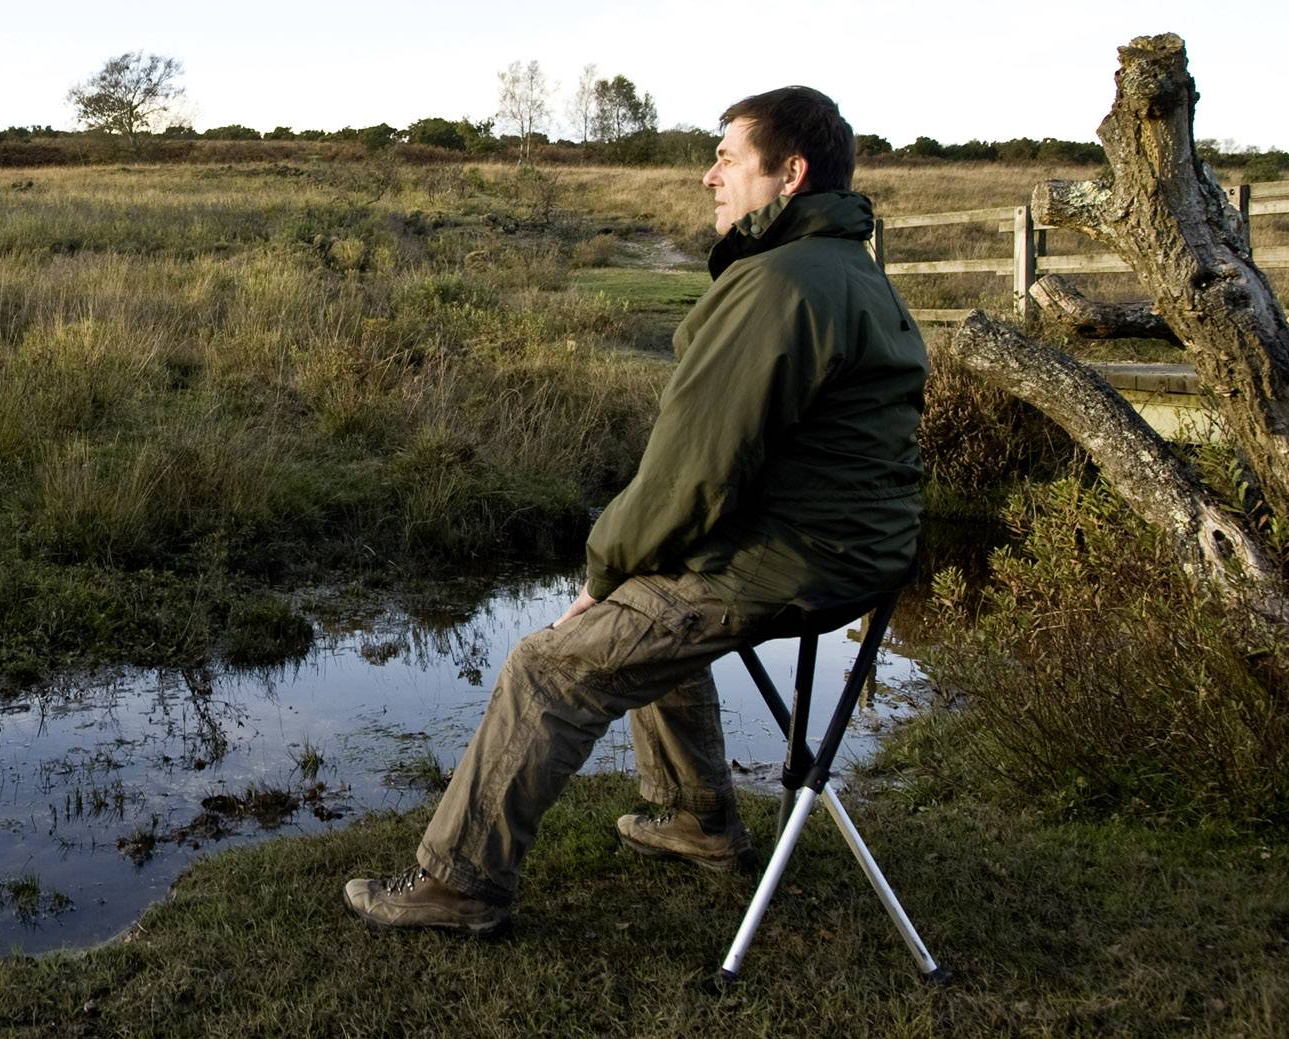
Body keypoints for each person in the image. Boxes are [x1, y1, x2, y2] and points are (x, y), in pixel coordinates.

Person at [344, 86, 927, 933]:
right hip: (863, 557)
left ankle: (460, 882)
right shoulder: (850, 268)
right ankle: (698, 820)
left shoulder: (781, 285)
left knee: (549, 665)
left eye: (727, 157)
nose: (707, 176)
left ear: (790, 173)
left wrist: (605, 569)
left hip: (795, 560)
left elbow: (693, 472)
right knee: (654, 591)